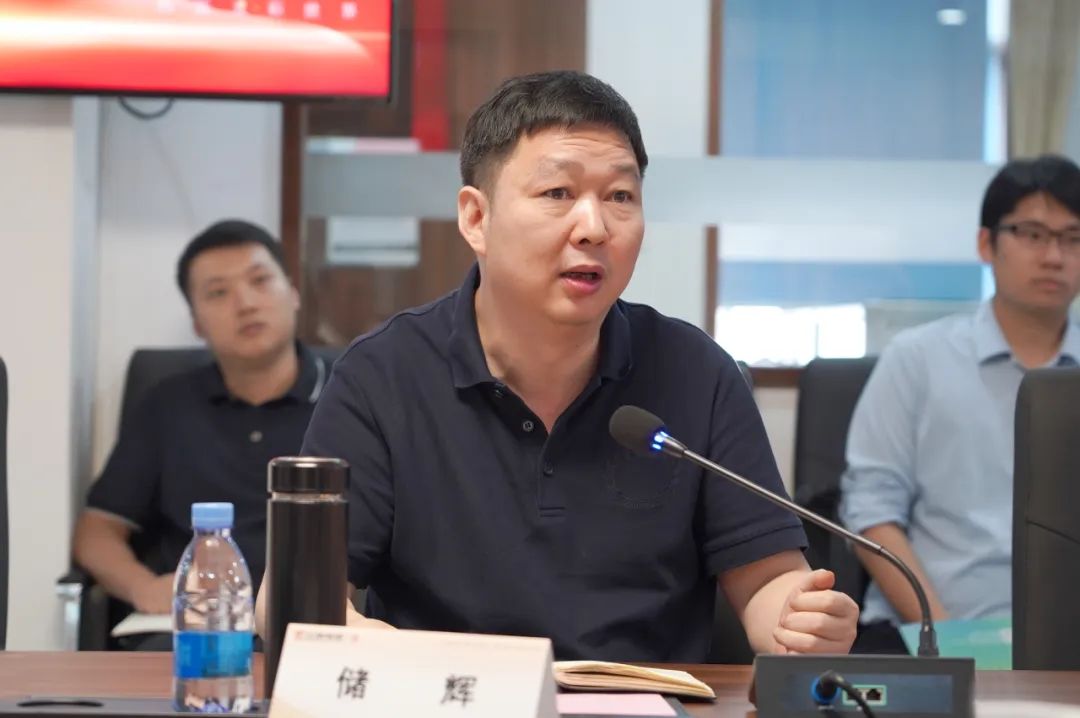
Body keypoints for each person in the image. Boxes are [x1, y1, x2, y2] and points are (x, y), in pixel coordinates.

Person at [256, 71, 858, 661]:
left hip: (648, 703)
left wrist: (797, 619)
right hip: (454, 699)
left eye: (620, 197)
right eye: (557, 194)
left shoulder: (696, 372)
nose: (593, 228)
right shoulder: (383, 375)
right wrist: (387, 650)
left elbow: (767, 580)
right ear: (476, 218)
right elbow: (295, 602)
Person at [840, 155, 1080, 653]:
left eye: (1073, 238)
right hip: (927, 633)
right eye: (1033, 234)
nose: (1054, 256)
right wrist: (946, 635)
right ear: (986, 244)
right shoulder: (917, 359)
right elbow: (870, 512)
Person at [74, 220, 327, 648]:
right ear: (196, 322)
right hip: (193, 631)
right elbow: (97, 530)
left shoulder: (348, 398)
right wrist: (142, 586)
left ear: (293, 292)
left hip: (316, 627)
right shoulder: (167, 405)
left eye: (260, 281)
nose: (245, 303)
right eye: (218, 292)